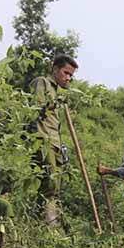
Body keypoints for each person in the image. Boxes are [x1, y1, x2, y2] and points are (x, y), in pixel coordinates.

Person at [28, 54, 78, 227]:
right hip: (43, 140)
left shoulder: (56, 91)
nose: (68, 78)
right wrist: (55, 102)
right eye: (66, 73)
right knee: (49, 182)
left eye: (71, 75)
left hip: (55, 143)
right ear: (55, 69)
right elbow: (37, 106)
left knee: (55, 185)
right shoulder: (42, 82)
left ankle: (46, 223)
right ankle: (46, 226)